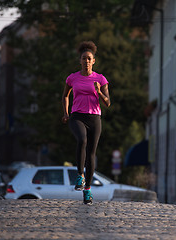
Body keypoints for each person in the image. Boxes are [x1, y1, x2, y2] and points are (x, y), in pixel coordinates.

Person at [61, 41, 110, 205]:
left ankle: (87, 191)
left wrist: (98, 91)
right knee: (82, 140)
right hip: (77, 116)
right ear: (80, 60)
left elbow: (108, 102)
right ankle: (79, 176)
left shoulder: (100, 79)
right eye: (84, 58)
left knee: (91, 153)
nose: (87, 61)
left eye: (89, 59)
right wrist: (66, 113)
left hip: (95, 118)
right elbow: (65, 95)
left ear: (93, 61)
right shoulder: (72, 77)